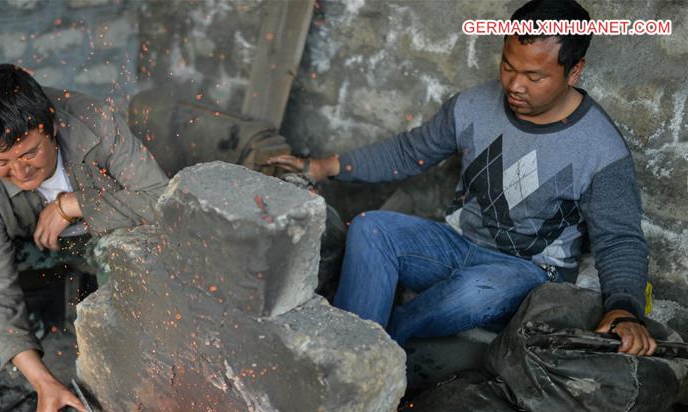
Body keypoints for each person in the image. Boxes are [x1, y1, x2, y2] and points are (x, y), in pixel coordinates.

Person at [269, 0, 656, 357]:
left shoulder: (600, 149)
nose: (514, 85)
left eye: (534, 76)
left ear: (575, 71)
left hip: (525, 272)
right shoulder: (473, 105)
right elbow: (408, 152)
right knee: (371, 229)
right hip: (455, 244)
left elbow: (619, 238)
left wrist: (624, 309)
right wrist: (322, 166)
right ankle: (340, 350)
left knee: (478, 289)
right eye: (508, 66)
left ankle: (376, 347)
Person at [0, 63, 168, 412]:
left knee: (136, 257)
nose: (19, 171)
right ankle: (24, 335)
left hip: (103, 234)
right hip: (34, 242)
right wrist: (40, 379)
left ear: (51, 125)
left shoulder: (93, 120)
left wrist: (73, 205)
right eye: (0, 162)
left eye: (29, 154)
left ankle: (123, 357)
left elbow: (161, 199)